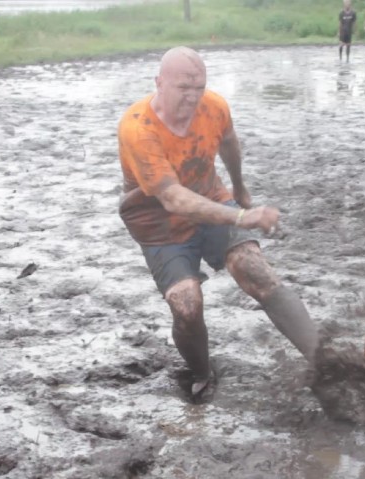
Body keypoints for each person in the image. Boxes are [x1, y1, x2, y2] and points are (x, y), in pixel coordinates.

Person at [117, 46, 320, 399]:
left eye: (199, 88)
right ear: (159, 83)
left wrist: (240, 188)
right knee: (187, 302)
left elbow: (227, 141)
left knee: (255, 270)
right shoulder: (138, 128)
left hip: (212, 199)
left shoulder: (214, 107)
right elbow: (174, 199)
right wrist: (243, 216)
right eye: (183, 88)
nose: (193, 97)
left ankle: (325, 362)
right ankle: (200, 371)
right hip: (159, 223)